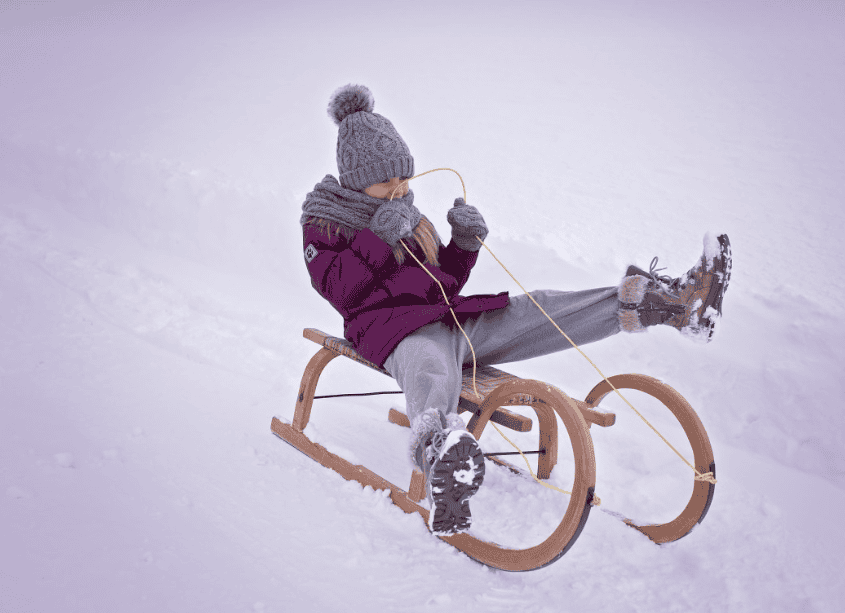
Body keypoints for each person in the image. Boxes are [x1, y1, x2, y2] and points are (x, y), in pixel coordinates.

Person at [299, 84, 731, 536]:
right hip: (396, 335)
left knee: (538, 307)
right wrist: (377, 239)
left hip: (453, 319)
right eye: (388, 181)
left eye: (405, 179)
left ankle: (667, 304)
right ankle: (442, 458)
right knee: (431, 371)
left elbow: (440, 282)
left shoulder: (404, 212)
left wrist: (463, 246)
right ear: (355, 179)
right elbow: (339, 290)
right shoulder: (325, 221)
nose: (401, 189)